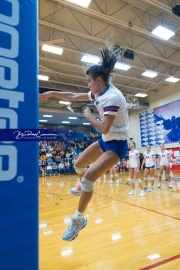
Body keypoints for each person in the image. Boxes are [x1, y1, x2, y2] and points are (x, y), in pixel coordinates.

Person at [39, 42, 129, 241]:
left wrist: (87, 115)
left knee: (88, 178)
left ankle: (79, 219)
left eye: (89, 81)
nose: (88, 85)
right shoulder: (99, 92)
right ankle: (82, 186)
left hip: (117, 145)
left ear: (98, 80)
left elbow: (104, 126)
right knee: (77, 164)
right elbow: (74, 96)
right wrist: (52, 93)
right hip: (106, 140)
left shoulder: (112, 98)